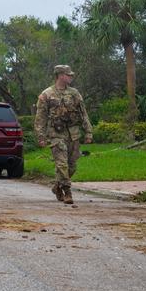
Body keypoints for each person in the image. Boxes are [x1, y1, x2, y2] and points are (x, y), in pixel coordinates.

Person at [34, 65, 93, 204]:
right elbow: (40, 117)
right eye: (68, 75)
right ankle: (68, 192)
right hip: (56, 134)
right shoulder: (46, 94)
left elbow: (83, 114)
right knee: (62, 164)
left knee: (72, 166)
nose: (71, 77)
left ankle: (57, 186)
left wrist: (89, 132)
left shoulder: (75, 93)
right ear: (60, 75)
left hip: (73, 134)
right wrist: (41, 136)